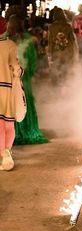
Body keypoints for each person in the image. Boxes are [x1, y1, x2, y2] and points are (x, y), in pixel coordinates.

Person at [7, 15, 48, 145]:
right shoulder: (28, 39)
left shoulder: (4, 39)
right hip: (23, 76)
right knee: (25, 102)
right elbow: (32, 60)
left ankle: (12, 132)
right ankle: (27, 129)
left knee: (10, 104)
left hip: (8, 76)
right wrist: (30, 72)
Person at [0, 16, 21, 170]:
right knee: (8, 123)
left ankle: (2, 155)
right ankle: (7, 152)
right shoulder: (10, 45)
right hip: (7, 88)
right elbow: (17, 69)